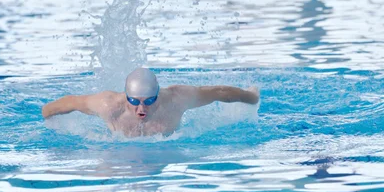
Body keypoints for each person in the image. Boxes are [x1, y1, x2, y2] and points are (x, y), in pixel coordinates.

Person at [42, 68, 260, 137]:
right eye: (134, 101)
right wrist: (46, 113)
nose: (141, 109)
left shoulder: (176, 99)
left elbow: (218, 92)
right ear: (125, 96)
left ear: (158, 94)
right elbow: (69, 103)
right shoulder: (109, 106)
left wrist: (251, 97)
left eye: (150, 101)